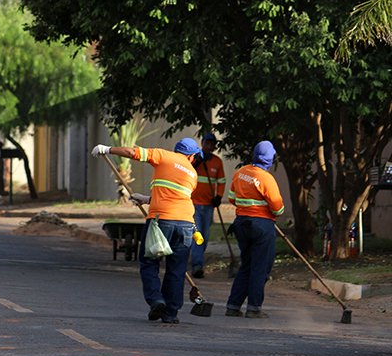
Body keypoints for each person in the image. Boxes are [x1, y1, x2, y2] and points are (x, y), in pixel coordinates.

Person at [92, 138, 201, 324]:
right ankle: (170, 313)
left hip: (161, 221)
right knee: (176, 269)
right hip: (185, 225)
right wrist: (146, 199)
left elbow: (133, 153)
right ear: (191, 155)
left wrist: (108, 149)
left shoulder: (163, 155)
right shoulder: (192, 173)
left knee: (149, 261)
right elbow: (174, 196)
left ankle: (156, 300)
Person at [226, 141, 284, 319]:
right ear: (269, 158)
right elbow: (278, 209)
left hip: (241, 224)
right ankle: (253, 308)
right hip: (261, 227)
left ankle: (233, 305)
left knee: (247, 264)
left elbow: (231, 198)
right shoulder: (267, 179)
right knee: (260, 267)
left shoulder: (240, 172)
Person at [190, 133, 226, 278]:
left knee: (205, 235)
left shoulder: (217, 162)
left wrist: (219, 196)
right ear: (202, 143)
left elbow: (221, 181)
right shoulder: (194, 158)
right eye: (207, 143)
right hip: (194, 204)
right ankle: (197, 265)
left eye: (212, 144)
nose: (209, 146)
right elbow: (187, 170)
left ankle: (197, 259)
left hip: (209, 205)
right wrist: (197, 162)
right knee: (197, 234)